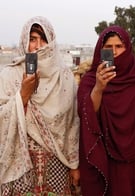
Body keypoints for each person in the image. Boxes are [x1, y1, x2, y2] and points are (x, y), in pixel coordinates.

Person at [0, 16, 80, 195]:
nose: (38, 46)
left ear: (51, 42)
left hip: (57, 164)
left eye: (43, 39)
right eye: (33, 39)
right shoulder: (9, 75)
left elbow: (73, 123)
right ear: (24, 42)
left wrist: (75, 165)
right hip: (21, 162)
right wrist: (23, 96)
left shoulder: (64, 77)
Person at [77, 25, 135, 196]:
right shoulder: (90, 80)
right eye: (108, 47)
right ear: (100, 50)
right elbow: (87, 114)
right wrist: (99, 88)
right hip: (104, 158)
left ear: (127, 48)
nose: (114, 52)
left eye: (119, 46)